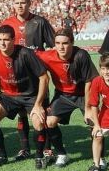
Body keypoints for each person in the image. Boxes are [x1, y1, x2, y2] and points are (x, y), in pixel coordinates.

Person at [0, 25, 49, 168]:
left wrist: (38, 105)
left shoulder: (26, 54)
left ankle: (39, 156)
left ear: (13, 39)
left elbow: (44, 78)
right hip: (8, 96)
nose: (2, 43)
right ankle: (1, 155)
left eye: (6, 39)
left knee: (38, 121)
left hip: (30, 96)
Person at [1, 0, 55, 161]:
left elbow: (53, 46)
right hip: (17, 75)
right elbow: (1, 45)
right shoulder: (8, 23)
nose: (20, 6)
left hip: (37, 74)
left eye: (23, 2)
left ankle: (47, 148)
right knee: (22, 113)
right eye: (17, 3)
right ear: (13, 4)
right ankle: (24, 149)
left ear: (29, 3)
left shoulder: (40, 22)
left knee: (42, 112)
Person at [36, 28, 98, 168]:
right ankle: (62, 154)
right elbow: (28, 52)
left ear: (72, 42)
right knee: (50, 121)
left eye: (65, 43)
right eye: (57, 43)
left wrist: (88, 108)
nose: (61, 47)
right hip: (63, 95)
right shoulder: (48, 56)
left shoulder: (81, 55)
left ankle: (98, 158)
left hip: (83, 94)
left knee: (93, 123)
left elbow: (90, 81)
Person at [88, 53, 109, 171]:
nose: (106, 72)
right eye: (103, 68)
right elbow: (94, 105)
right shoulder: (97, 81)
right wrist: (96, 125)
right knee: (97, 135)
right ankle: (96, 165)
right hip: (106, 113)